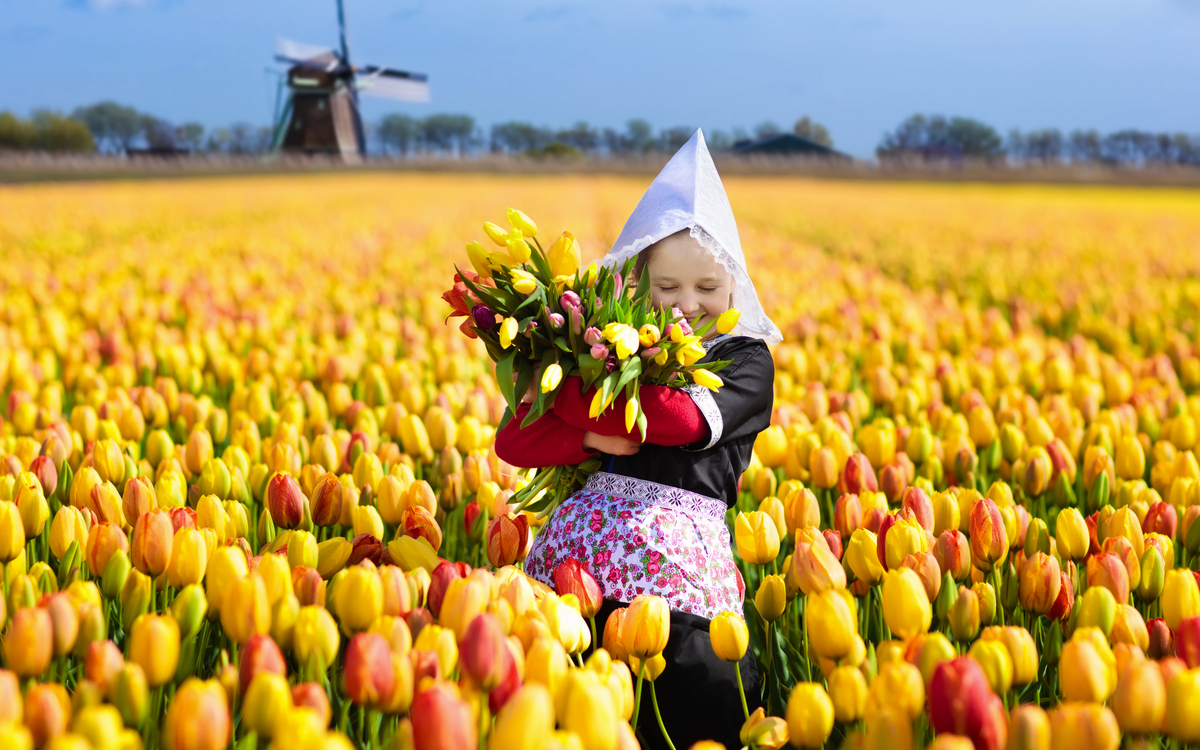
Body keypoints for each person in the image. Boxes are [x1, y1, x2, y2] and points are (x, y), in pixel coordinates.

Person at [495, 129, 782, 750]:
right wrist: (591, 439)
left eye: (707, 289)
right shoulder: (615, 344)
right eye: (667, 289)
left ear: (734, 283)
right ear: (640, 285)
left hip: (674, 579)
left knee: (683, 702)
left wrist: (582, 398)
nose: (687, 306)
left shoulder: (745, 360)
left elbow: (678, 421)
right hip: (573, 571)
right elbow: (514, 440)